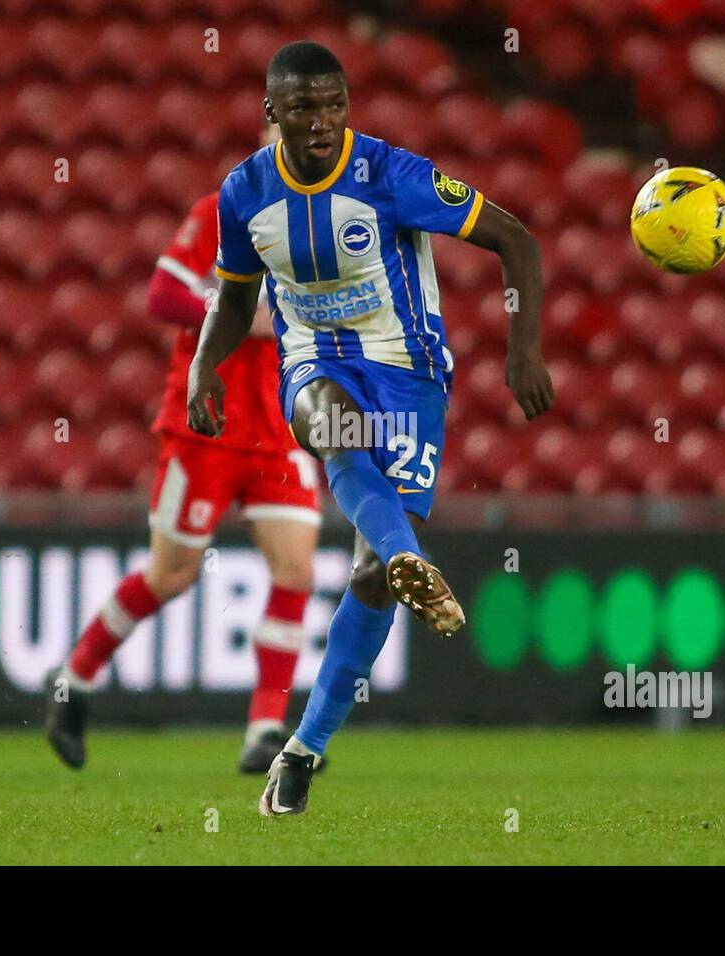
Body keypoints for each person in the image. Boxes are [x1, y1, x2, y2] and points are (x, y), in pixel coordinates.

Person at [185, 41, 554, 815]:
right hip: (314, 361)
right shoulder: (244, 194)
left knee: (367, 580)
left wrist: (523, 349)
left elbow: (515, 240)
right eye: (304, 107)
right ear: (271, 113)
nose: (321, 123)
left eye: (334, 106)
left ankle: (302, 749)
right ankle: (408, 555)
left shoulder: (391, 176)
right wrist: (203, 367)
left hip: (410, 374)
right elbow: (231, 298)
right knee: (330, 425)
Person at [45, 126, 323, 775]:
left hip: (279, 428)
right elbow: (163, 294)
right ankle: (75, 677)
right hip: (205, 426)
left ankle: (266, 730)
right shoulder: (218, 214)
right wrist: (233, 309)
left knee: (297, 573)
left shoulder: (325, 230)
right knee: (172, 575)